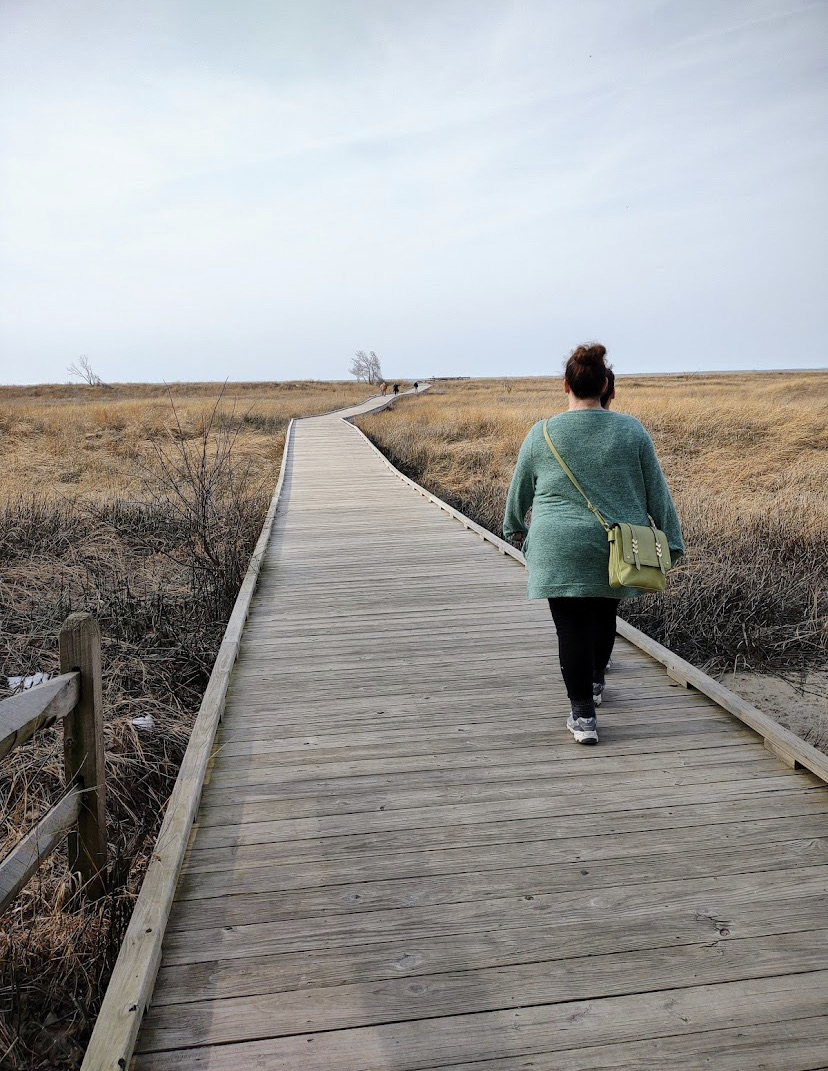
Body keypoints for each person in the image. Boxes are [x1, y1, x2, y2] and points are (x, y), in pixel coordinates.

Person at [503, 343, 683, 745]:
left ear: (566, 385)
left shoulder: (542, 432)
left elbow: (519, 493)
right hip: (617, 546)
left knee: (570, 629)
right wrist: (672, 540)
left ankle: (583, 716)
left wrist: (513, 527)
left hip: (556, 544)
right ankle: (598, 680)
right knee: (604, 614)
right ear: (605, 386)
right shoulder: (632, 430)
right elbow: (658, 493)